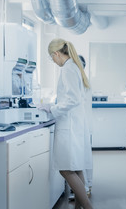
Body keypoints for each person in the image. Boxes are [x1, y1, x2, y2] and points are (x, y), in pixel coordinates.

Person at [40, 38, 94, 209]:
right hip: (74, 124)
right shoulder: (74, 67)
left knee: (65, 169)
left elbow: (73, 99)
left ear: (56, 53)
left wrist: (52, 108)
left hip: (69, 126)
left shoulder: (68, 69)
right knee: (76, 168)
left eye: (51, 57)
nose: (53, 61)